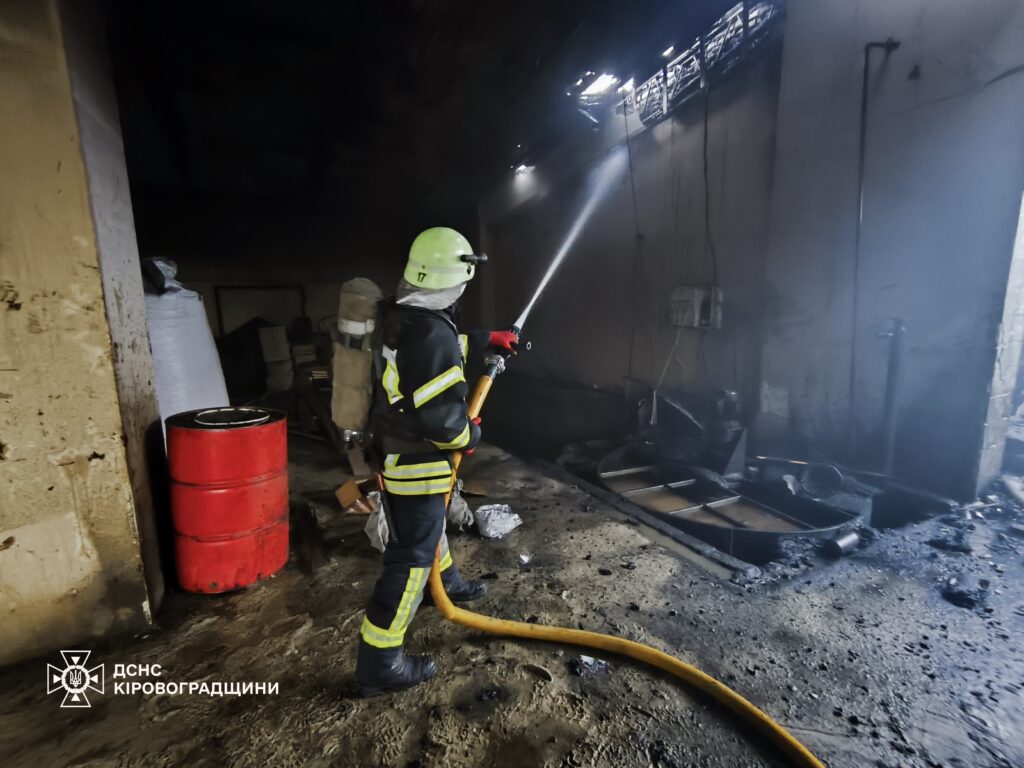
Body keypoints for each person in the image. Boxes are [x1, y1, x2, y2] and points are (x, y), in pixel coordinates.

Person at [356, 227, 519, 697]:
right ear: (457, 276)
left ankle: (443, 582)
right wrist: (471, 435)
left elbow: (440, 349)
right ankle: (380, 663)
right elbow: (443, 421)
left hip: (396, 450)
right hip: (418, 459)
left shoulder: (402, 315)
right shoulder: (430, 331)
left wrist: (487, 339)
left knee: (430, 528)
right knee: (409, 557)